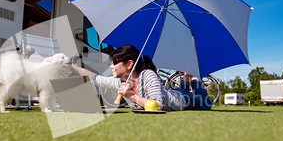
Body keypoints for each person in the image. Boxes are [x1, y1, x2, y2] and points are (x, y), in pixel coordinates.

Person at [70, 45, 212, 111]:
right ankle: (186, 76)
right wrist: (70, 67)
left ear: (129, 64)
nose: (112, 67)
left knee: (206, 105)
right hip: (173, 92)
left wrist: (131, 96)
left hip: (182, 100)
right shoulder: (120, 82)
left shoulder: (148, 75)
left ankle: (194, 80)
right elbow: (95, 78)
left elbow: (157, 107)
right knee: (181, 89)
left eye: (115, 62)